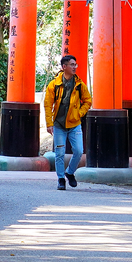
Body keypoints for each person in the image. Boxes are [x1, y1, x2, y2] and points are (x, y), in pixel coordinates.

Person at [42, 54, 92, 190]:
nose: (75, 67)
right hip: (58, 125)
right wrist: (49, 123)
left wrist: (79, 114)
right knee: (59, 153)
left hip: (75, 124)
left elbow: (88, 101)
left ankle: (69, 172)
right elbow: (48, 104)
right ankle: (60, 179)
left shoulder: (79, 85)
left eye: (75, 64)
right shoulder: (54, 84)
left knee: (78, 151)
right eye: (72, 64)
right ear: (64, 67)